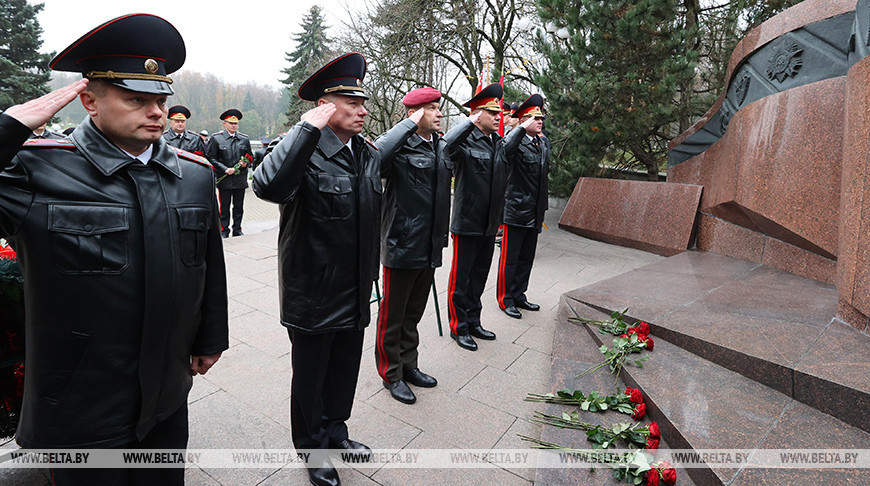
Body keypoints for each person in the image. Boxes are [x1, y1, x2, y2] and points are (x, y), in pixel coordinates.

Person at [0, 13, 228, 485]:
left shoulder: (194, 174)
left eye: (160, 99)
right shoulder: (35, 172)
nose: (156, 112)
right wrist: (8, 128)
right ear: (89, 101)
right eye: (136, 99)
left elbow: (209, 265)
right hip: (82, 398)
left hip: (166, 392)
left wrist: (211, 337)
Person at [252, 52, 380, 486]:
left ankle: (335, 432)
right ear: (325, 105)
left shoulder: (366, 153)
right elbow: (267, 186)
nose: (363, 110)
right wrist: (308, 128)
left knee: (344, 369)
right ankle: (312, 447)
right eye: (351, 102)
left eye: (363, 102)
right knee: (310, 376)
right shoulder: (301, 148)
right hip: (314, 289)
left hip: (355, 284)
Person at [373, 87, 476, 404]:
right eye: (431, 108)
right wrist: (407, 126)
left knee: (413, 313)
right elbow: (375, 158)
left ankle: (409, 365)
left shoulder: (441, 148)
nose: (440, 113)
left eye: (438, 107)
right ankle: (391, 374)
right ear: (414, 114)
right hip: (401, 243)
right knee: (393, 315)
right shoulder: (399, 148)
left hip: (430, 245)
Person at [444, 83, 530, 351]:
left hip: (490, 223)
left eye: (498, 113)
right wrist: (466, 124)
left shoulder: (497, 143)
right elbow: (444, 148)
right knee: (461, 279)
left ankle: (474, 321)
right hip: (468, 221)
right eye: (491, 112)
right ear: (475, 114)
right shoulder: (464, 141)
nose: (498, 116)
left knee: (479, 276)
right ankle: (459, 327)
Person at [497, 94, 550, 318]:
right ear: (522, 120)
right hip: (516, 209)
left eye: (540, 117)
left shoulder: (543, 142)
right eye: (533, 117)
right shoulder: (514, 141)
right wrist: (520, 129)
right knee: (510, 258)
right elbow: (505, 151)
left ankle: (519, 294)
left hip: (535, 210)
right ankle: (505, 298)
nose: (539, 121)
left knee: (527, 257)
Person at [206, 109, 252, 237]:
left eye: (235, 123)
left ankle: (237, 229)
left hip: (240, 179)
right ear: (224, 124)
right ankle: (224, 229)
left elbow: (250, 157)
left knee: (238, 207)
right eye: (230, 123)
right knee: (224, 207)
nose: (233, 126)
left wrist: (245, 163)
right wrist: (224, 168)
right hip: (224, 179)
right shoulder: (216, 139)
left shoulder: (244, 139)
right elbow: (211, 158)